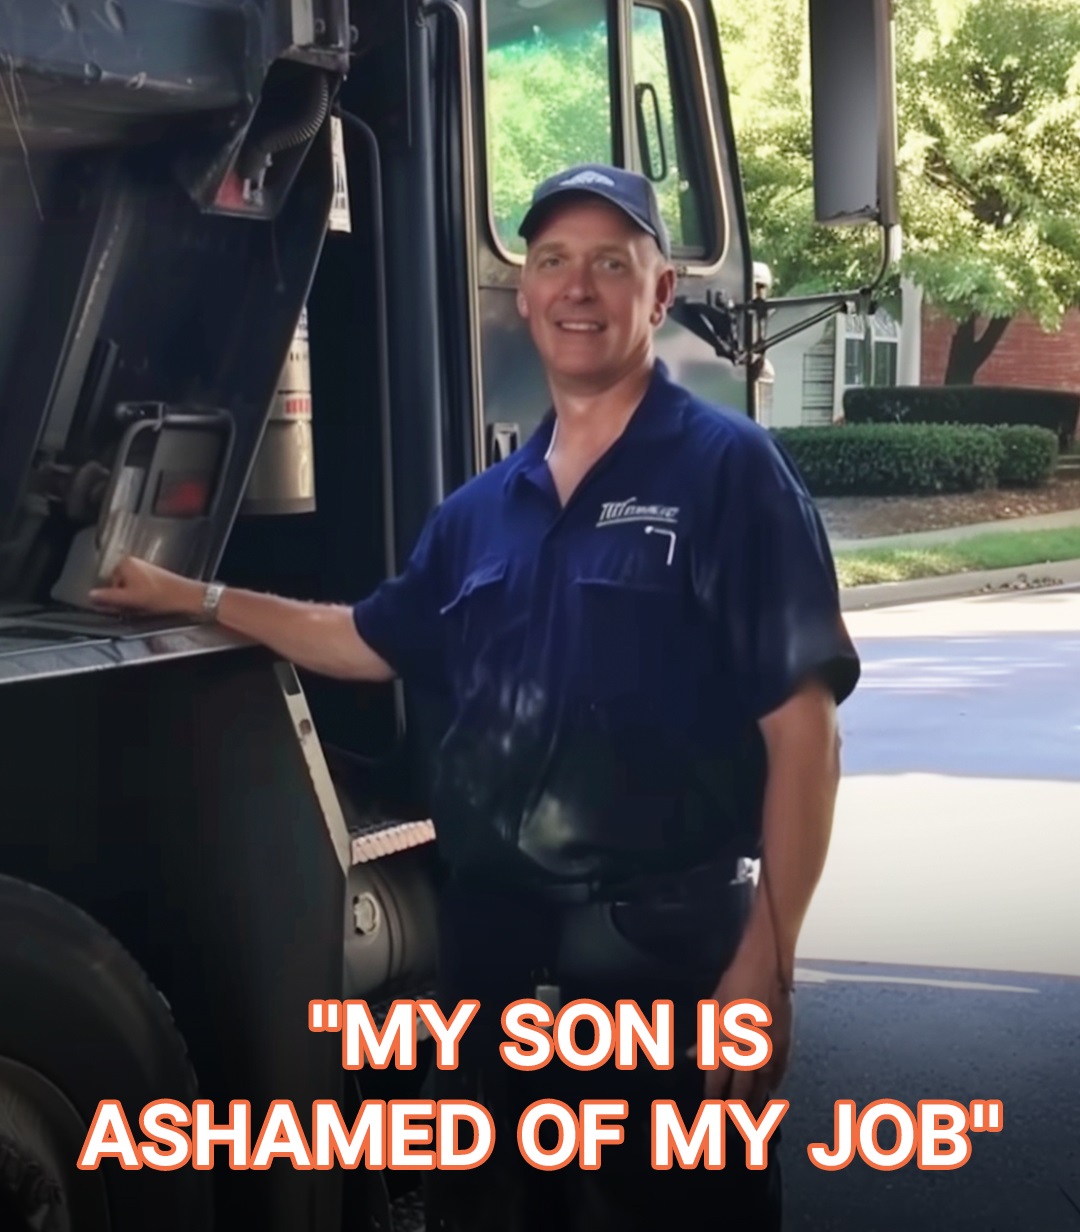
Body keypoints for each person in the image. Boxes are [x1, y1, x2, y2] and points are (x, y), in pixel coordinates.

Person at [90, 163, 860, 1229]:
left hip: (666, 957)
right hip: (498, 957)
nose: (576, 289)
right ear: (527, 291)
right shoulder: (478, 512)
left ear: (661, 291)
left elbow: (804, 735)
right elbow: (365, 638)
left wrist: (766, 961)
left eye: (608, 263)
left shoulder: (733, 474)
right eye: (552, 262)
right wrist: (192, 594)